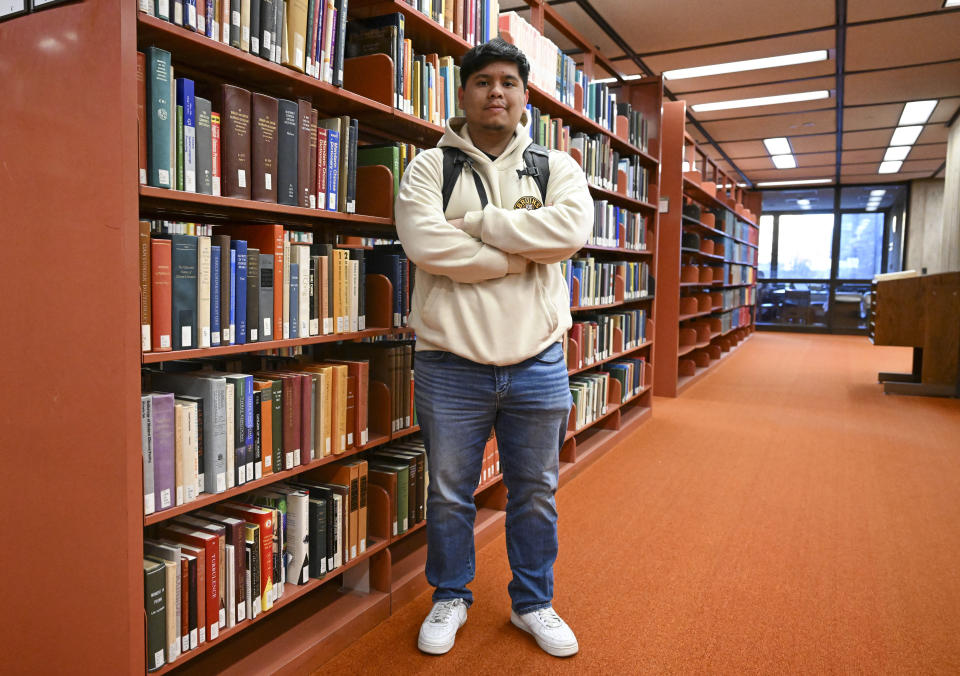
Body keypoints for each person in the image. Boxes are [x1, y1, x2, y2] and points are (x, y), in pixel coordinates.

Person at [394, 38, 593, 658]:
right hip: (450, 366)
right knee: (450, 493)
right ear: (464, 93)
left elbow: (570, 231)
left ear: (523, 95)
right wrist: (521, 257)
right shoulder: (430, 168)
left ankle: (533, 604)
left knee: (535, 492)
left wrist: (481, 226)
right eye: (483, 82)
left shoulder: (555, 166)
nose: (496, 92)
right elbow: (426, 247)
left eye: (507, 81)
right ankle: (450, 596)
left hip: (537, 362)